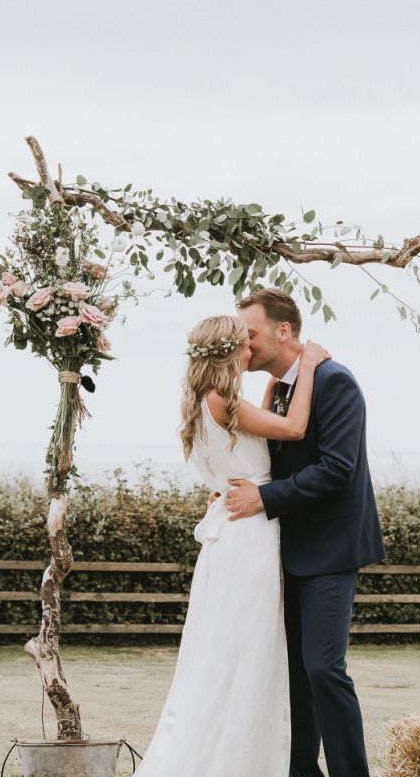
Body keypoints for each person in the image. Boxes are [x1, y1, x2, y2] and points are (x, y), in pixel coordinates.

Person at [134, 313, 330, 777]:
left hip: (233, 531)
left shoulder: (213, 401)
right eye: (244, 344)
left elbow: (260, 424)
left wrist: (274, 388)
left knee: (234, 647)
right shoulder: (223, 401)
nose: (251, 350)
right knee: (248, 651)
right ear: (228, 352)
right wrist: (310, 366)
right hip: (249, 536)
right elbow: (295, 427)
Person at [226, 288, 386, 777]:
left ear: (283, 330)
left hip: (330, 550)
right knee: (293, 675)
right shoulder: (278, 391)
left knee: (322, 668)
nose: (243, 346)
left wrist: (264, 498)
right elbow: (273, 460)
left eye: (249, 335)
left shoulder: (335, 381)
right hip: (283, 551)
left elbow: (337, 468)